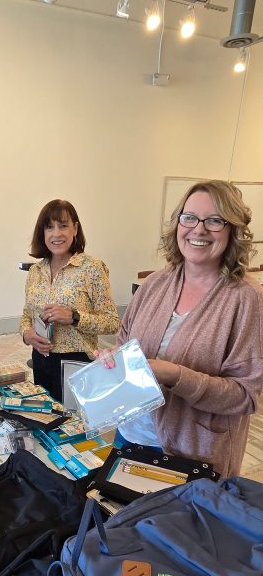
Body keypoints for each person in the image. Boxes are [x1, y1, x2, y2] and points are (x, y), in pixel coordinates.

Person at [99, 180, 263, 478]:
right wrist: (113, 358)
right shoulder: (155, 283)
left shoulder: (247, 298)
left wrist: (176, 376)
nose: (198, 229)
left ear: (233, 229)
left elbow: (245, 396)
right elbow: (124, 341)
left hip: (191, 454)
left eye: (214, 220)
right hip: (130, 437)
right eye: (189, 218)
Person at [20, 199, 120, 401]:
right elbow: (26, 316)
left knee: (73, 419)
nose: (56, 234)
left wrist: (74, 317)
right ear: (42, 233)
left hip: (76, 362)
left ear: (75, 228)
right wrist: (26, 334)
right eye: (49, 227)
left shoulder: (92, 268)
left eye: (63, 226)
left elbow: (112, 322)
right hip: (40, 359)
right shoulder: (35, 271)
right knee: (45, 414)